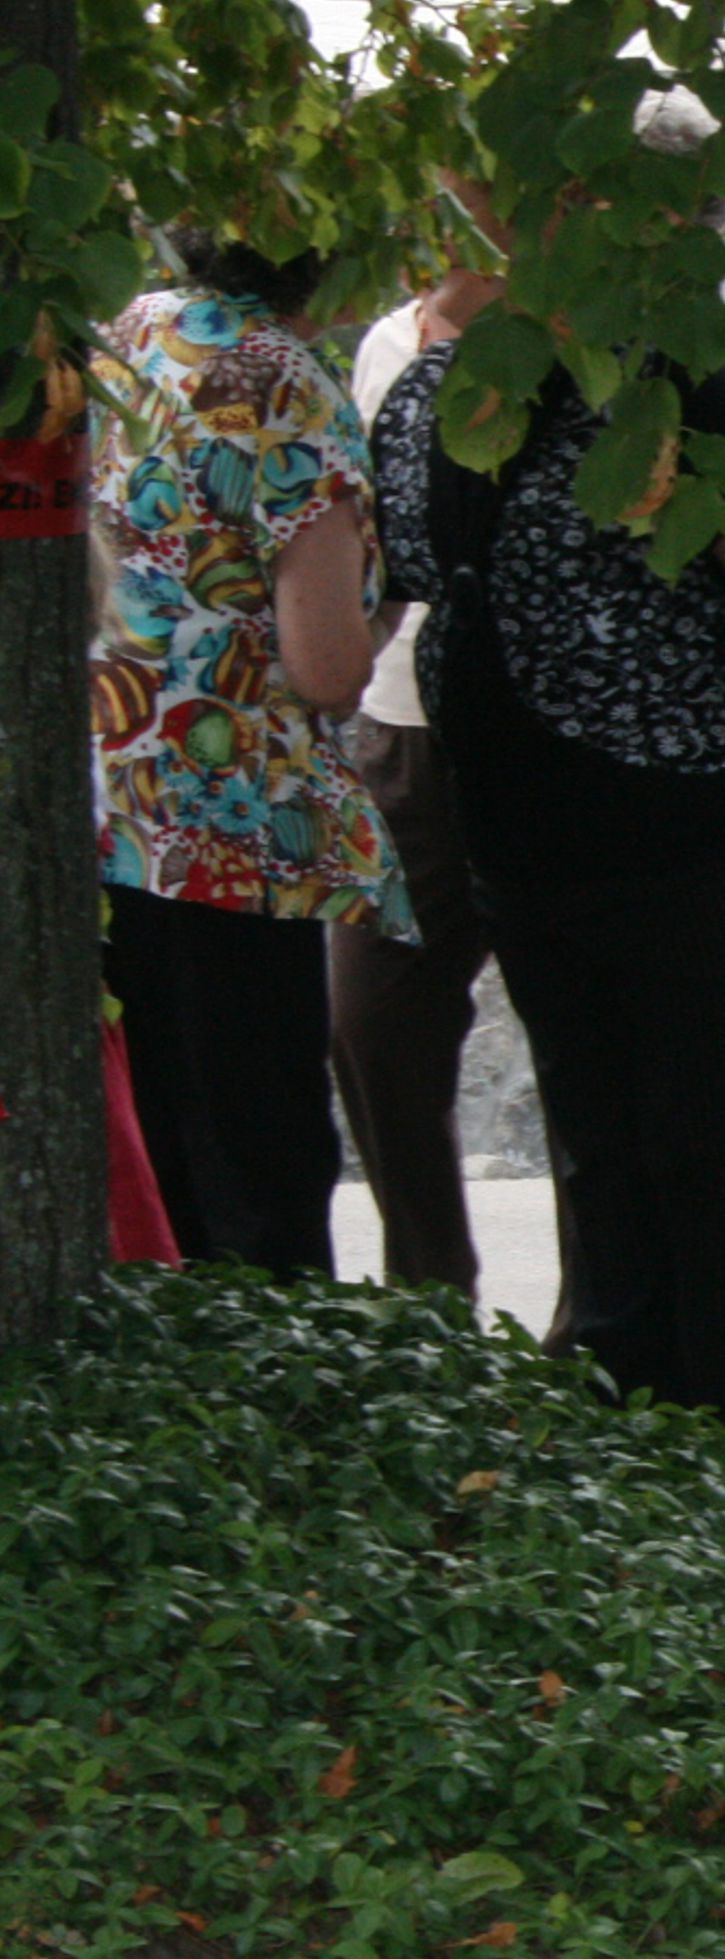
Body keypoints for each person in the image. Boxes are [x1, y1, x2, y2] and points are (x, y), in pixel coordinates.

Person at [372, 184, 725, 1447]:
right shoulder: (626, 374)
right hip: (639, 821)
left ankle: (663, 1443)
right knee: (690, 1150)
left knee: (628, 1148)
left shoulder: (467, 385)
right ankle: (691, 1443)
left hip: (580, 816)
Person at [88, 231, 403, 1274]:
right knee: (260, 1164)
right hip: (233, 821)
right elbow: (326, 665)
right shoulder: (286, 384)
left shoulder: (133, 329)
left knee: (162, 1150)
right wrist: (386, 609)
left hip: (112, 800)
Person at [332, 257, 505, 1295]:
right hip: (402, 724)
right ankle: (432, 1298)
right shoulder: (386, 344)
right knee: (375, 1024)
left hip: (540, 729)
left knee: (581, 1026)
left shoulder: (576, 344)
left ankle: (601, 1330)